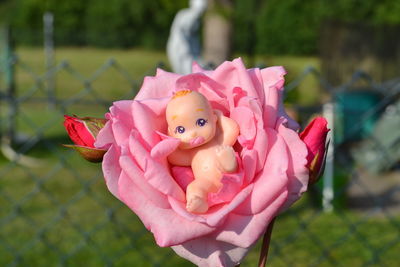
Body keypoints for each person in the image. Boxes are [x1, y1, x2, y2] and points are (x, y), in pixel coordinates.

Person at [166, 90, 239, 213]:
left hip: (229, 176)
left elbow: (232, 131)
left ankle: (229, 166)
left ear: (213, 118)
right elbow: (172, 157)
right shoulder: (190, 155)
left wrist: (221, 118)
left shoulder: (218, 141)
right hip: (207, 182)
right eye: (181, 130)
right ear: (172, 133)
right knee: (193, 187)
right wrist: (171, 139)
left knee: (225, 157)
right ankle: (199, 201)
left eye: (201, 122)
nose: (193, 133)